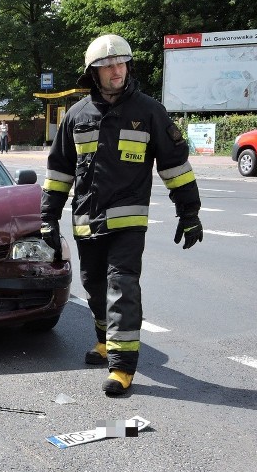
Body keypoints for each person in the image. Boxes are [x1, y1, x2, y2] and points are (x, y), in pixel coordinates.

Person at [40, 33, 203, 397]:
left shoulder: (149, 112)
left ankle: (122, 367)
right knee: (94, 284)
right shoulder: (76, 117)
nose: (117, 70)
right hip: (86, 220)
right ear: (93, 73)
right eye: (108, 66)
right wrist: (48, 218)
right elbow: (59, 171)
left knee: (121, 285)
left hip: (128, 223)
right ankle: (104, 342)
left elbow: (175, 166)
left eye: (121, 63)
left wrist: (189, 211)